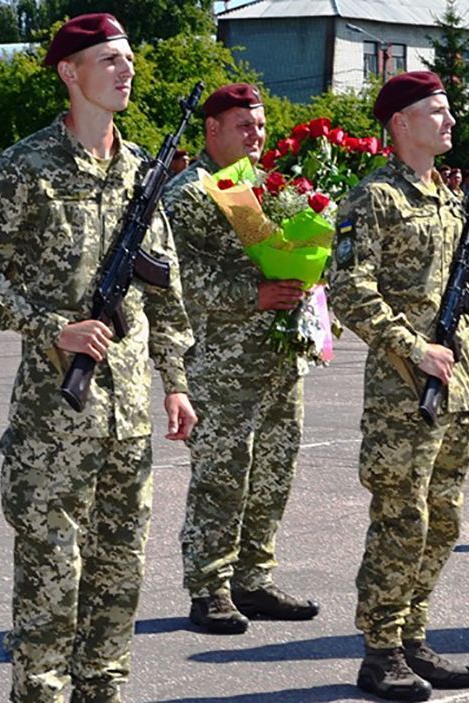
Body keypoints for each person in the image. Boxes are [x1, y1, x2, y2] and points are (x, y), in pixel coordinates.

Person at [0, 14, 197, 702]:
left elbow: (163, 286)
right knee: (53, 583)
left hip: (128, 419)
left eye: (130, 60)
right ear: (69, 72)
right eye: (110, 59)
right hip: (55, 420)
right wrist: (53, 326)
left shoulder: (141, 169)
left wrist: (176, 383)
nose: (126, 70)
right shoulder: (27, 167)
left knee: (119, 578)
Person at [329, 70, 469, 702]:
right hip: (401, 392)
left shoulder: (447, 199)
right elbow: (348, 288)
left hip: (448, 386)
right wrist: (410, 347)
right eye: (437, 112)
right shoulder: (374, 198)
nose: (449, 122)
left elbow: (457, 307)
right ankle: (381, 649)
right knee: (402, 518)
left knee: (443, 521)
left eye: (449, 111)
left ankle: (413, 634)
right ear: (400, 123)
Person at [163, 83, 321, 635]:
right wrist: (252, 295)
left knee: (273, 471)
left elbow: (282, 256)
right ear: (212, 131)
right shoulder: (190, 192)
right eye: (243, 127)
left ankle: (253, 579)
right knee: (222, 476)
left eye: (259, 126)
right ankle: (209, 588)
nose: (256, 136)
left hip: (277, 354)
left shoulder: (258, 187)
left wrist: (306, 282)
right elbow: (178, 277)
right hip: (221, 364)